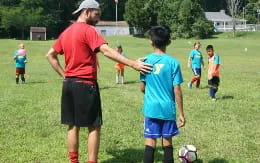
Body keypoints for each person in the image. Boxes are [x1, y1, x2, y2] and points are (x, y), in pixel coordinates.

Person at [45, 0, 152, 163]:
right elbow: (106, 51)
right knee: (94, 126)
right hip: (86, 84)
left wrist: (64, 75)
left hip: (69, 86)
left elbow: (50, 55)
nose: (98, 19)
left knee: (72, 126)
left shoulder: (67, 31)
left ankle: (74, 161)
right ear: (87, 11)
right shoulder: (88, 30)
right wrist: (133, 64)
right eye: (97, 14)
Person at [140, 25, 185, 163]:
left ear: (151, 42)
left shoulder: (144, 62)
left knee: (150, 141)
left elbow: (142, 87)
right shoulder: (173, 63)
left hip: (151, 108)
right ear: (169, 42)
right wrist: (181, 113)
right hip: (167, 109)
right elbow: (177, 89)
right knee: (167, 142)